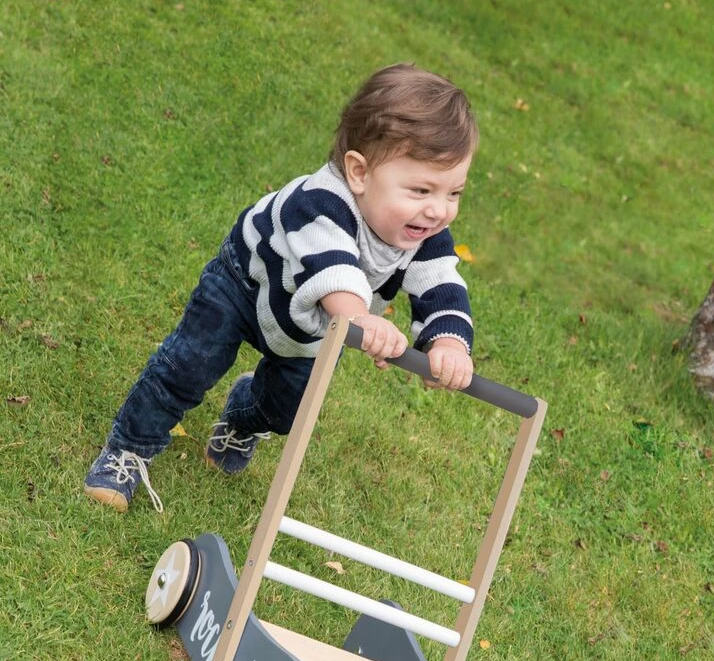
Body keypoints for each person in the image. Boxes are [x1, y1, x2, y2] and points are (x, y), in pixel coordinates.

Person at [84, 63, 478, 513]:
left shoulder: (425, 236)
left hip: (310, 326)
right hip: (244, 285)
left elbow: (442, 283)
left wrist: (448, 343)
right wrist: (363, 318)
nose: (438, 211)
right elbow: (334, 270)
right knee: (189, 367)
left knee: (289, 409)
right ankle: (129, 449)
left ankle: (242, 414)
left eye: (454, 194)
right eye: (422, 189)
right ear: (359, 173)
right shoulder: (320, 201)